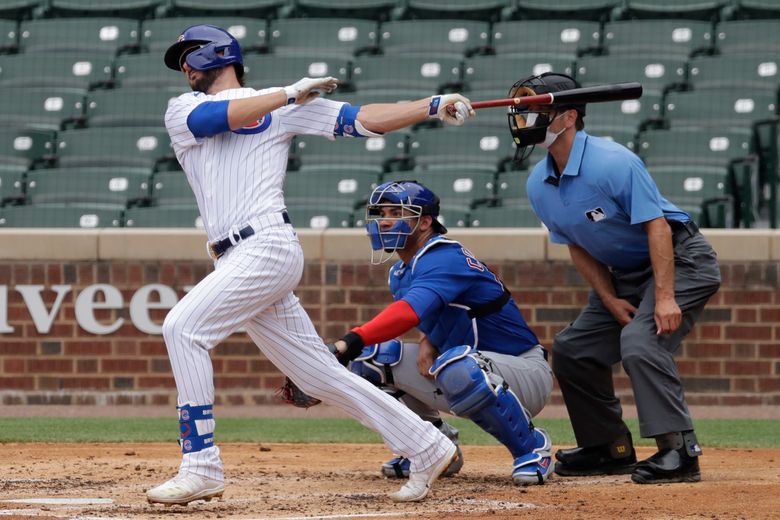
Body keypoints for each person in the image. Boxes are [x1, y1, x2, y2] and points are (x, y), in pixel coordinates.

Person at [146, 24, 476, 506]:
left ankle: (201, 465)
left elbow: (365, 119)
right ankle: (427, 445)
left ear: (217, 54)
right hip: (233, 255)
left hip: (267, 246)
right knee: (318, 375)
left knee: (183, 328)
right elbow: (220, 118)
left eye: (189, 57)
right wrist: (288, 93)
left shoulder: (283, 106)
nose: (184, 68)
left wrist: (431, 104)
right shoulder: (187, 109)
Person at [510, 72, 721, 484]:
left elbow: (657, 226)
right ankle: (609, 448)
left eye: (538, 110)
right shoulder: (538, 183)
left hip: (680, 259)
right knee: (573, 349)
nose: (525, 119)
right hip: (623, 274)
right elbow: (576, 243)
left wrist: (663, 297)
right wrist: (607, 298)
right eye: (523, 111)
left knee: (641, 342)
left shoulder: (613, 161)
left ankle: (679, 451)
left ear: (568, 117)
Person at [314, 180, 554, 485]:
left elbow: (409, 312)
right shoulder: (400, 272)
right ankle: (432, 448)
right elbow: (440, 313)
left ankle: (533, 449)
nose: (385, 220)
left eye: (397, 212)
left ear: (425, 222)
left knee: (456, 364)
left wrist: (348, 341)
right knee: (373, 359)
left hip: (524, 372)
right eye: (381, 212)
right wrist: (428, 340)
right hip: (471, 368)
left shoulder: (443, 255)